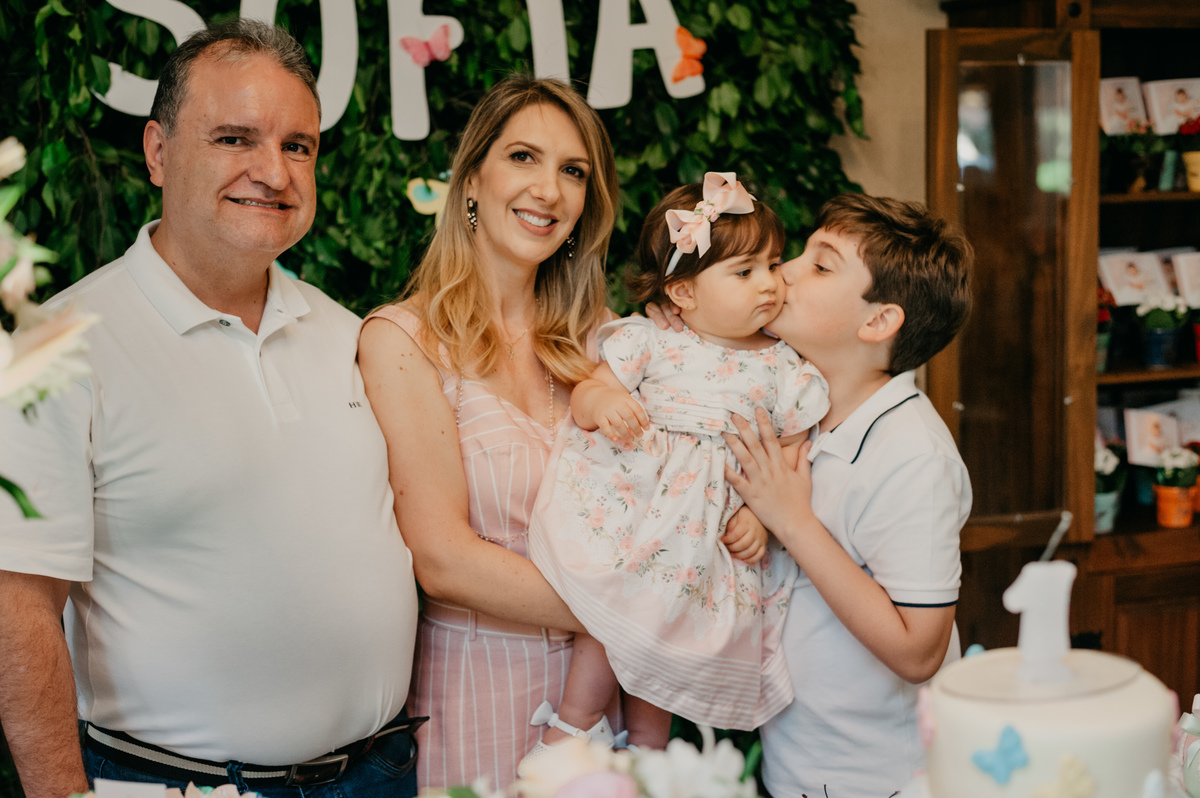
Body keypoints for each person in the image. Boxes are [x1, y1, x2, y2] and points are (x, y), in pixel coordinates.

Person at [0, 20, 421, 798]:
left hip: (380, 774)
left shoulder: (350, 334)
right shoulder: (53, 351)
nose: (275, 172)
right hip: (173, 785)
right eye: (235, 139)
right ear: (158, 152)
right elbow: (17, 608)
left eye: (298, 146)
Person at [357, 75, 621, 791]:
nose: (549, 190)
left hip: (606, 694)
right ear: (471, 179)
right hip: (477, 689)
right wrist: (638, 608)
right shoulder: (404, 340)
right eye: (523, 157)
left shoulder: (603, 341)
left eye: (574, 172)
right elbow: (442, 560)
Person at [519, 173, 829, 770]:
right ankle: (574, 723)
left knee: (665, 637)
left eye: (771, 265)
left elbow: (793, 456)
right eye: (745, 272)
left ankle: (649, 753)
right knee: (616, 611)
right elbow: (589, 394)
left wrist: (763, 519)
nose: (770, 283)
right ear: (683, 292)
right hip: (645, 515)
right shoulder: (652, 339)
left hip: (706, 541)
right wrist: (605, 404)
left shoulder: (786, 367)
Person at [716, 193, 973, 798]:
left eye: (820, 265)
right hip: (794, 762)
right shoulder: (796, 403)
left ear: (878, 322)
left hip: (884, 780)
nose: (784, 271)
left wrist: (792, 521)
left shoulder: (913, 456)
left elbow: (919, 651)